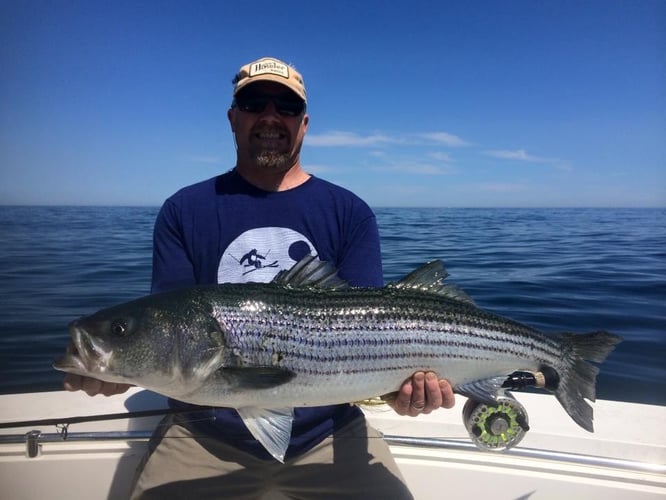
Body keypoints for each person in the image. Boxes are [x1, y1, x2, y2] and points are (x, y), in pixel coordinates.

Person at [64, 56, 455, 499]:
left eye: (286, 108)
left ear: (303, 124)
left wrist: (402, 393)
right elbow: (167, 335)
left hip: (333, 436)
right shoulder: (184, 210)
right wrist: (119, 365)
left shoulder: (350, 212)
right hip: (201, 436)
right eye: (253, 103)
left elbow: (374, 339)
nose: (270, 117)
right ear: (233, 118)